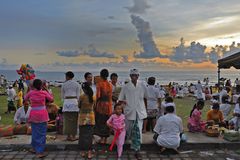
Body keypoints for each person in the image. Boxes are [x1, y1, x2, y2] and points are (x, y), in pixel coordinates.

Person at [118, 68, 148, 160]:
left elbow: (145, 98)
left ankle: (137, 150)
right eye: (132, 75)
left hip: (140, 112)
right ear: (130, 76)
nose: (134, 77)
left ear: (138, 76)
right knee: (128, 130)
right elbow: (121, 99)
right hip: (129, 112)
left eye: (136, 75)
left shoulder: (143, 85)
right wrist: (120, 109)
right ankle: (122, 145)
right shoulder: (126, 87)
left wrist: (145, 109)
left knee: (138, 131)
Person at [24, 79, 54, 158]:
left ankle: (34, 148)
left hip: (33, 114)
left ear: (33, 85)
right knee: (42, 133)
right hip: (42, 114)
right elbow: (51, 99)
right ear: (42, 85)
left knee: (34, 132)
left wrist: (29, 89)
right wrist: (46, 89)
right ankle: (39, 152)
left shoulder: (31, 93)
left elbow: (25, 99)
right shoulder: (43, 92)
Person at [94, 69, 112, 144]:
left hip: (101, 106)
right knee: (106, 122)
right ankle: (105, 139)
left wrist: (95, 105)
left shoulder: (99, 84)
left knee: (101, 122)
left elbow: (98, 96)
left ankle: (101, 139)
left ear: (101, 75)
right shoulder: (109, 84)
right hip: (108, 106)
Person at [61, 71, 80, 141]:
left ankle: (68, 136)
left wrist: (64, 102)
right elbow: (78, 96)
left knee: (67, 121)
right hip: (74, 103)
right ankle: (74, 136)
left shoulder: (64, 84)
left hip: (66, 103)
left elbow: (62, 96)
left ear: (68, 76)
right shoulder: (77, 84)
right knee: (74, 121)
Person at [78, 82, 95, 159]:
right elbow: (94, 106)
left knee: (82, 135)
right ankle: (89, 152)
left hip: (82, 118)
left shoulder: (81, 96)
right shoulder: (93, 96)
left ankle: (82, 151)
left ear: (84, 89)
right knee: (89, 136)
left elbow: (79, 106)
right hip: (91, 118)